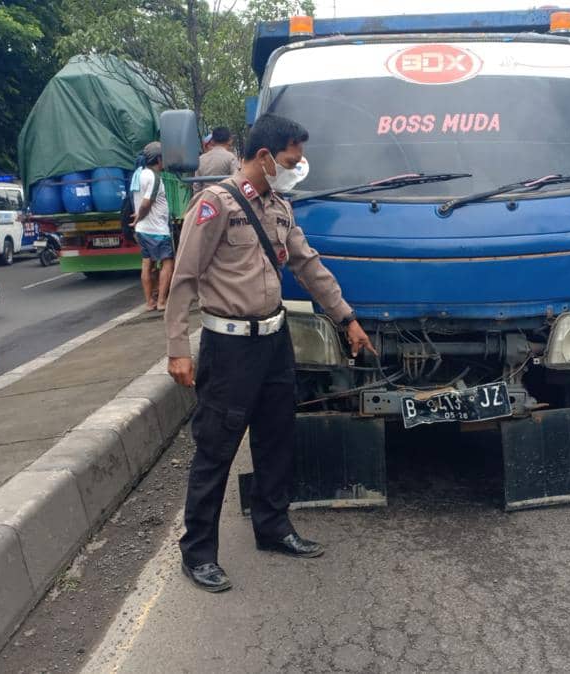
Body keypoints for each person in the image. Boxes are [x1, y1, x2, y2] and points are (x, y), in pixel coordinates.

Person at [162, 114, 375, 593]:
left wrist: (348, 319)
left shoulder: (280, 208)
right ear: (264, 157)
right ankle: (197, 553)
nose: (296, 167)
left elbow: (308, 265)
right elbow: (185, 279)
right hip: (229, 347)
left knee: (277, 440)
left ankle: (273, 528)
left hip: (275, 341)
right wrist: (177, 347)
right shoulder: (214, 205)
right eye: (291, 160)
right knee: (215, 451)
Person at [132, 142, 175, 311]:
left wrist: (138, 222)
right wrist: (138, 217)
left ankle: (149, 302)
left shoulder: (138, 174)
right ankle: (162, 301)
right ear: (158, 159)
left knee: (147, 264)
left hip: (142, 230)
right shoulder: (154, 177)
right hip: (156, 229)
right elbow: (146, 203)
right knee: (167, 263)